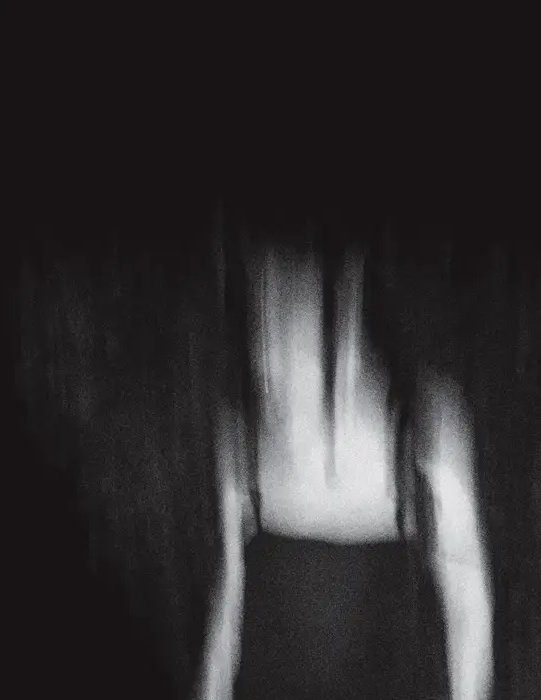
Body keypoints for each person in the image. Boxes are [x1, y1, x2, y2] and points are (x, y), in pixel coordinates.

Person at [197, 231, 493, 700]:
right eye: (261, 319)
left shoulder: (422, 426)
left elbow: (468, 596)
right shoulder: (242, 438)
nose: (271, 350)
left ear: (347, 318)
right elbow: (224, 613)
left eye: (290, 319)